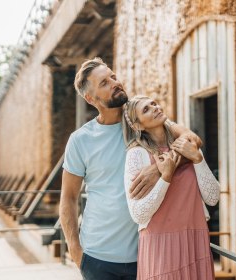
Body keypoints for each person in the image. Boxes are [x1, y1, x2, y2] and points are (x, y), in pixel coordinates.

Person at [59, 58, 201, 280]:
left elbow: (191, 141)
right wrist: (76, 252)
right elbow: (68, 198)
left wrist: (160, 168)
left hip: (146, 253)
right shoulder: (80, 140)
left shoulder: (142, 120)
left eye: (113, 77)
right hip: (97, 258)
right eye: (104, 83)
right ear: (90, 98)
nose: (115, 83)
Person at [122, 95, 220, 280]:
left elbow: (213, 197)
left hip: (195, 241)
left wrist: (198, 159)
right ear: (138, 126)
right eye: (146, 109)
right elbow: (138, 214)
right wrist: (165, 177)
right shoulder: (137, 155)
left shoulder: (185, 145)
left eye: (154, 103)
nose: (155, 107)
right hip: (161, 246)